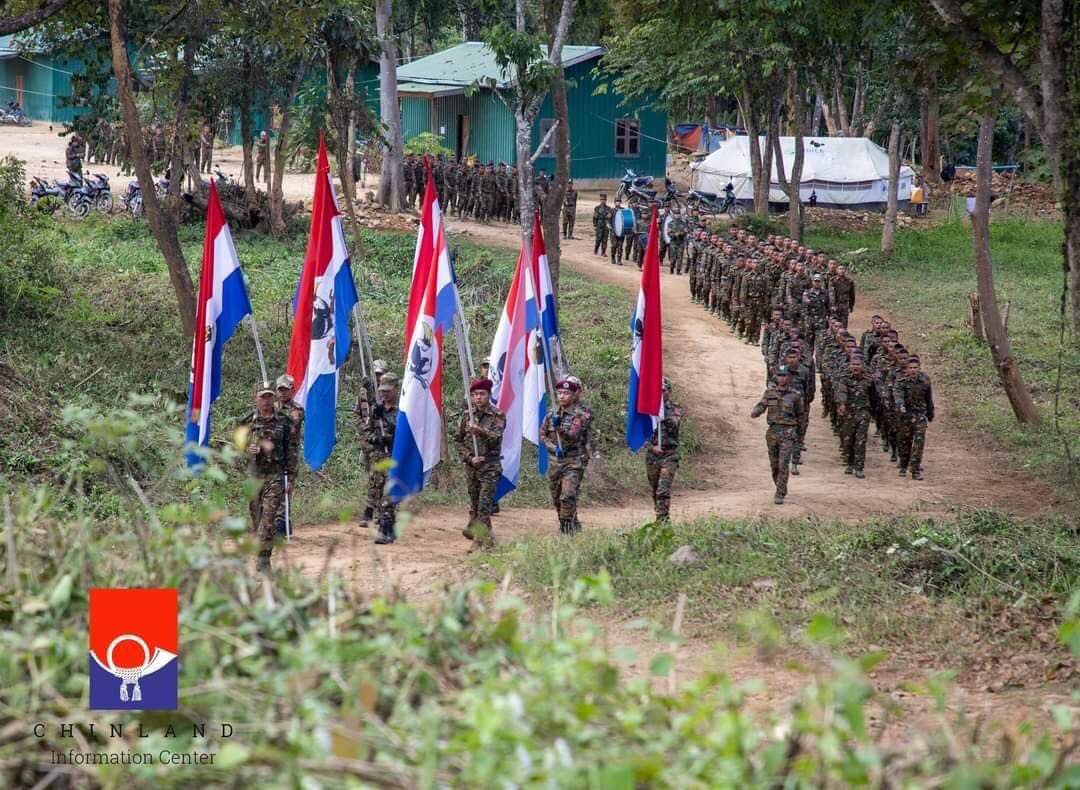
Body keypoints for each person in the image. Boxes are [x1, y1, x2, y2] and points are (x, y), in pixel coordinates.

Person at [240, 381, 296, 573]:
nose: (266, 401)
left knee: (269, 519)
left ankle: (263, 562)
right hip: (254, 476)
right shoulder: (247, 422)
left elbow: (292, 450)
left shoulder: (284, 421)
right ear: (255, 398)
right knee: (257, 519)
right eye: (262, 396)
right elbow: (235, 450)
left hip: (275, 475)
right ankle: (262, 551)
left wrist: (291, 478)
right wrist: (247, 449)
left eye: (269, 396)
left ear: (274, 398)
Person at [454, 378, 506, 550]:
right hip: (472, 467)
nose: (478, 398)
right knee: (475, 505)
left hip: (490, 466)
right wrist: (469, 457)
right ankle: (488, 540)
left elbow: (496, 437)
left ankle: (479, 541)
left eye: (482, 394)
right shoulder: (467, 415)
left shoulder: (497, 415)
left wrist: (480, 431)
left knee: (484, 505)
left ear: (489, 395)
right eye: (475, 395)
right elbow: (458, 441)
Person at [540, 378, 592, 534]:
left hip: (573, 461)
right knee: (556, 497)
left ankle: (565, 529)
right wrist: (553, 447)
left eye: (566, 393)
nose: (562, 396)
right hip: (555, 461)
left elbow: (574, 436)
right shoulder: (551, 414)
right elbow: (543, 435)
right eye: (560, 393)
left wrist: (560, 429)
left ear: (573, 395)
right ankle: (572, 521)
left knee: (567, 495)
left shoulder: (579, 416)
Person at [750, 364, 804, 505]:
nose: (782, 378)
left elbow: (801, 416)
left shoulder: (795, 395)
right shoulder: (770, 393)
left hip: (788, 432)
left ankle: (780, 493)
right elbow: (761, 405)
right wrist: (756, 411)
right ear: (776, 377)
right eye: (780, 375)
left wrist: (800, 436)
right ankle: (779, 486)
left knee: (783, 463)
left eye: (784, 375)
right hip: (773, 432)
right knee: (774, 464)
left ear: (788, 377)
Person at [364, 374, 400, 543]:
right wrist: (374, 438)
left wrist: (387, 430)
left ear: (396, 389)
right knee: (378, 491)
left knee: (389, 491)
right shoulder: (376, 410)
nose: (384, 394)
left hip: (394, 454)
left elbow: (403, 431)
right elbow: (367, 429)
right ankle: (388, 526)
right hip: (378, 456)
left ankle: (385, 527)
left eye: (388, 390)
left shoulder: (401, 409)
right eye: (382, 391)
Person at [354, 359, 388, 527]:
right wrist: (365, 430)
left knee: (379, 477)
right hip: (368, 442)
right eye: (375, 374)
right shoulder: (363, 392)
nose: (378, 377)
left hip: (384, 441)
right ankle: (373, 509)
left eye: (380, 375)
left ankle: (373, 511)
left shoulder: (387, 393)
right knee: (373, 477)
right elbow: (356, 414)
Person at [645, 378, 684, 522]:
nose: (661, 394)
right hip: (652, 455)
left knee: (663, 488)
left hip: (670, 454)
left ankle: (663, 519)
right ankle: (659, 512)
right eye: (657, 391)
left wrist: (661, 413)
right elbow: (643, 433)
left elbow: (674, 424)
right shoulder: (647, 409)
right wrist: (651, 447)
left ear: (670, 391)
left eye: (663, 391)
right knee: (655, 489)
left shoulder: (675, 408)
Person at [273, 374, 305, 538]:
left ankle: (281, 523)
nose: (283, 393)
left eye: (286, 390)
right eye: (280, 390)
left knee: (286, 488)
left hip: (289, 455)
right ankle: (282, 523)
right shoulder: (271, 407)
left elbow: (291, 426)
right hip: (273, 454)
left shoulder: (296, 409)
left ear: (292, 390)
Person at [892, 355, 934, 479]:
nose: (913, 370)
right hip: (905, 415)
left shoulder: (925, 380)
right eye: (910, 368)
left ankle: (915, 469)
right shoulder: (901, 381)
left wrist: (930, 413)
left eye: (915, 368)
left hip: (920, 415)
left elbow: (928, 398)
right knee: (905, 441)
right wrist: (901, 406)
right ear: (906, 369)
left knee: (919, 442)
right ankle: (904, 465)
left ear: (919, 368)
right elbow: (897, 395)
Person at [835, 354, 873, 478]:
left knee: (861, 441)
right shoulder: (844, 379)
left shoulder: (868, 380)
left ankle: (859, 467)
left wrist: (874, 412)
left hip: (863, 412)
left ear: (862, 366)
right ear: (849, 365)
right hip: (848, 413)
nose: (855, 367)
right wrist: (842, 405)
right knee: (848, 440)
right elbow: (841, 392)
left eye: (858, 364)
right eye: (853, 364)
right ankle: (850, 463)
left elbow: (875, 397)